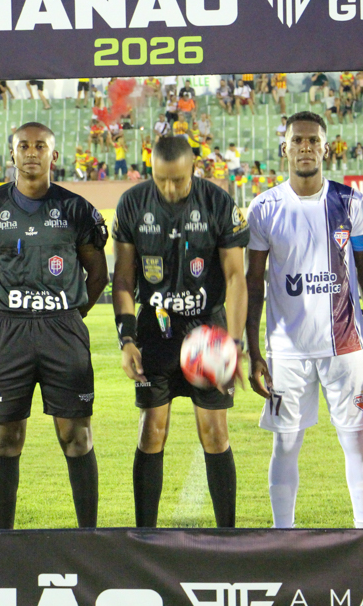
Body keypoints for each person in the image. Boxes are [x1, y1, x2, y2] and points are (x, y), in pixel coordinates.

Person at [0, 122, 109, 530]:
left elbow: (98, 274)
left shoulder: (76, 208)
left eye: (40, 146)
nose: (31, 152)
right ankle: (2, 538)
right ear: (12, 154)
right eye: (23, 146)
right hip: (8, 331)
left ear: (53, 155)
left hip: (62, 331)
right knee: (5, 439)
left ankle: (88, 536)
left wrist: (71, 314)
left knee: (76, 436)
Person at [245, 111, 363, 529]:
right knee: (285, 445)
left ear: (326, 148)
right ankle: (281, 536)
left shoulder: (351, 202)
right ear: (284, 148)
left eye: (313, 140)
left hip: (346, 346)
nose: (305, 147)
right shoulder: (264, 208)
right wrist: (253, 351)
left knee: (356, 441)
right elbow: (253, 283)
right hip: (286, 351)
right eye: (298, 140)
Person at [112, 135, 250, 528]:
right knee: (151, 432)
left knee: (215, 433)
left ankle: (227, 535)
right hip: (154, 332)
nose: (170, 188)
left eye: (178, 180)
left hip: (207, 330)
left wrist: (233, 343)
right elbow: (123, 279)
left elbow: (235, 277)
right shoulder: (132, 204)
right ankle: (145, 535)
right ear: (151, 171)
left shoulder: (218, 203)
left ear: (194, 168)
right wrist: (126, 339)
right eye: (161, 180)